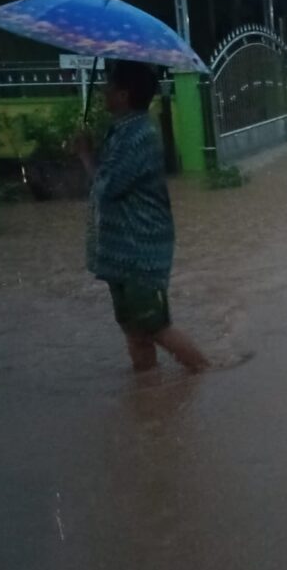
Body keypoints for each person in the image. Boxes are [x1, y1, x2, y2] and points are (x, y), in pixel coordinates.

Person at [76, 60, 210, 373]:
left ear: (123, 95)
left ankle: (206, 371)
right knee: (133, 329)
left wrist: (84, 155)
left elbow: (108, 187)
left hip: (140, 251)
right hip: (120, 251)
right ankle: (149, 396)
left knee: (155, 326)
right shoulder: (121, 132)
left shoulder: (138, 136)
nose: (102, 91)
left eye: (108, 86)